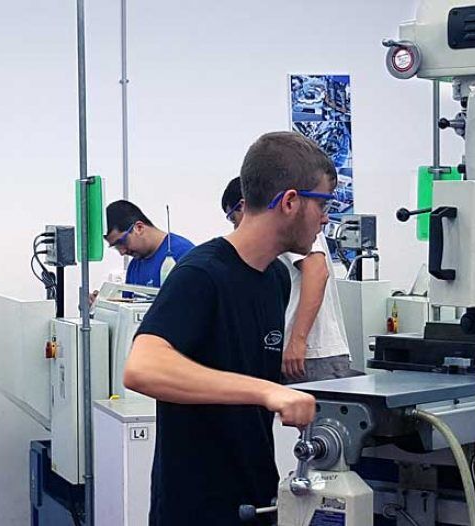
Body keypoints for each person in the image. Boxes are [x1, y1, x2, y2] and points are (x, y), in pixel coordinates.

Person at [124, 131, 336, 525]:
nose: (326, 218)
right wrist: (267, 391)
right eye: (322, 203)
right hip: (197, 508)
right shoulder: (202, 274)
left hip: (255, 498)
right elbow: (142, 368)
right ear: (290, 202)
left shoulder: (277, 277)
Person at [221, 177, 356, 383]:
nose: (235, 229)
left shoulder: (288, 228)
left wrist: (297, 341)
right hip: (295, 355)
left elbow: (317, 271)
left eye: (233, 219)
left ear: (243, 205)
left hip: (311, 355)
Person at [104, 200, 195, 287]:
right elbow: (126, 302)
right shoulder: (134, 266)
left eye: (121, 242)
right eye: (116, 247)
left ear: (139, 228)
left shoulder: (183, 255)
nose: (122, 252)